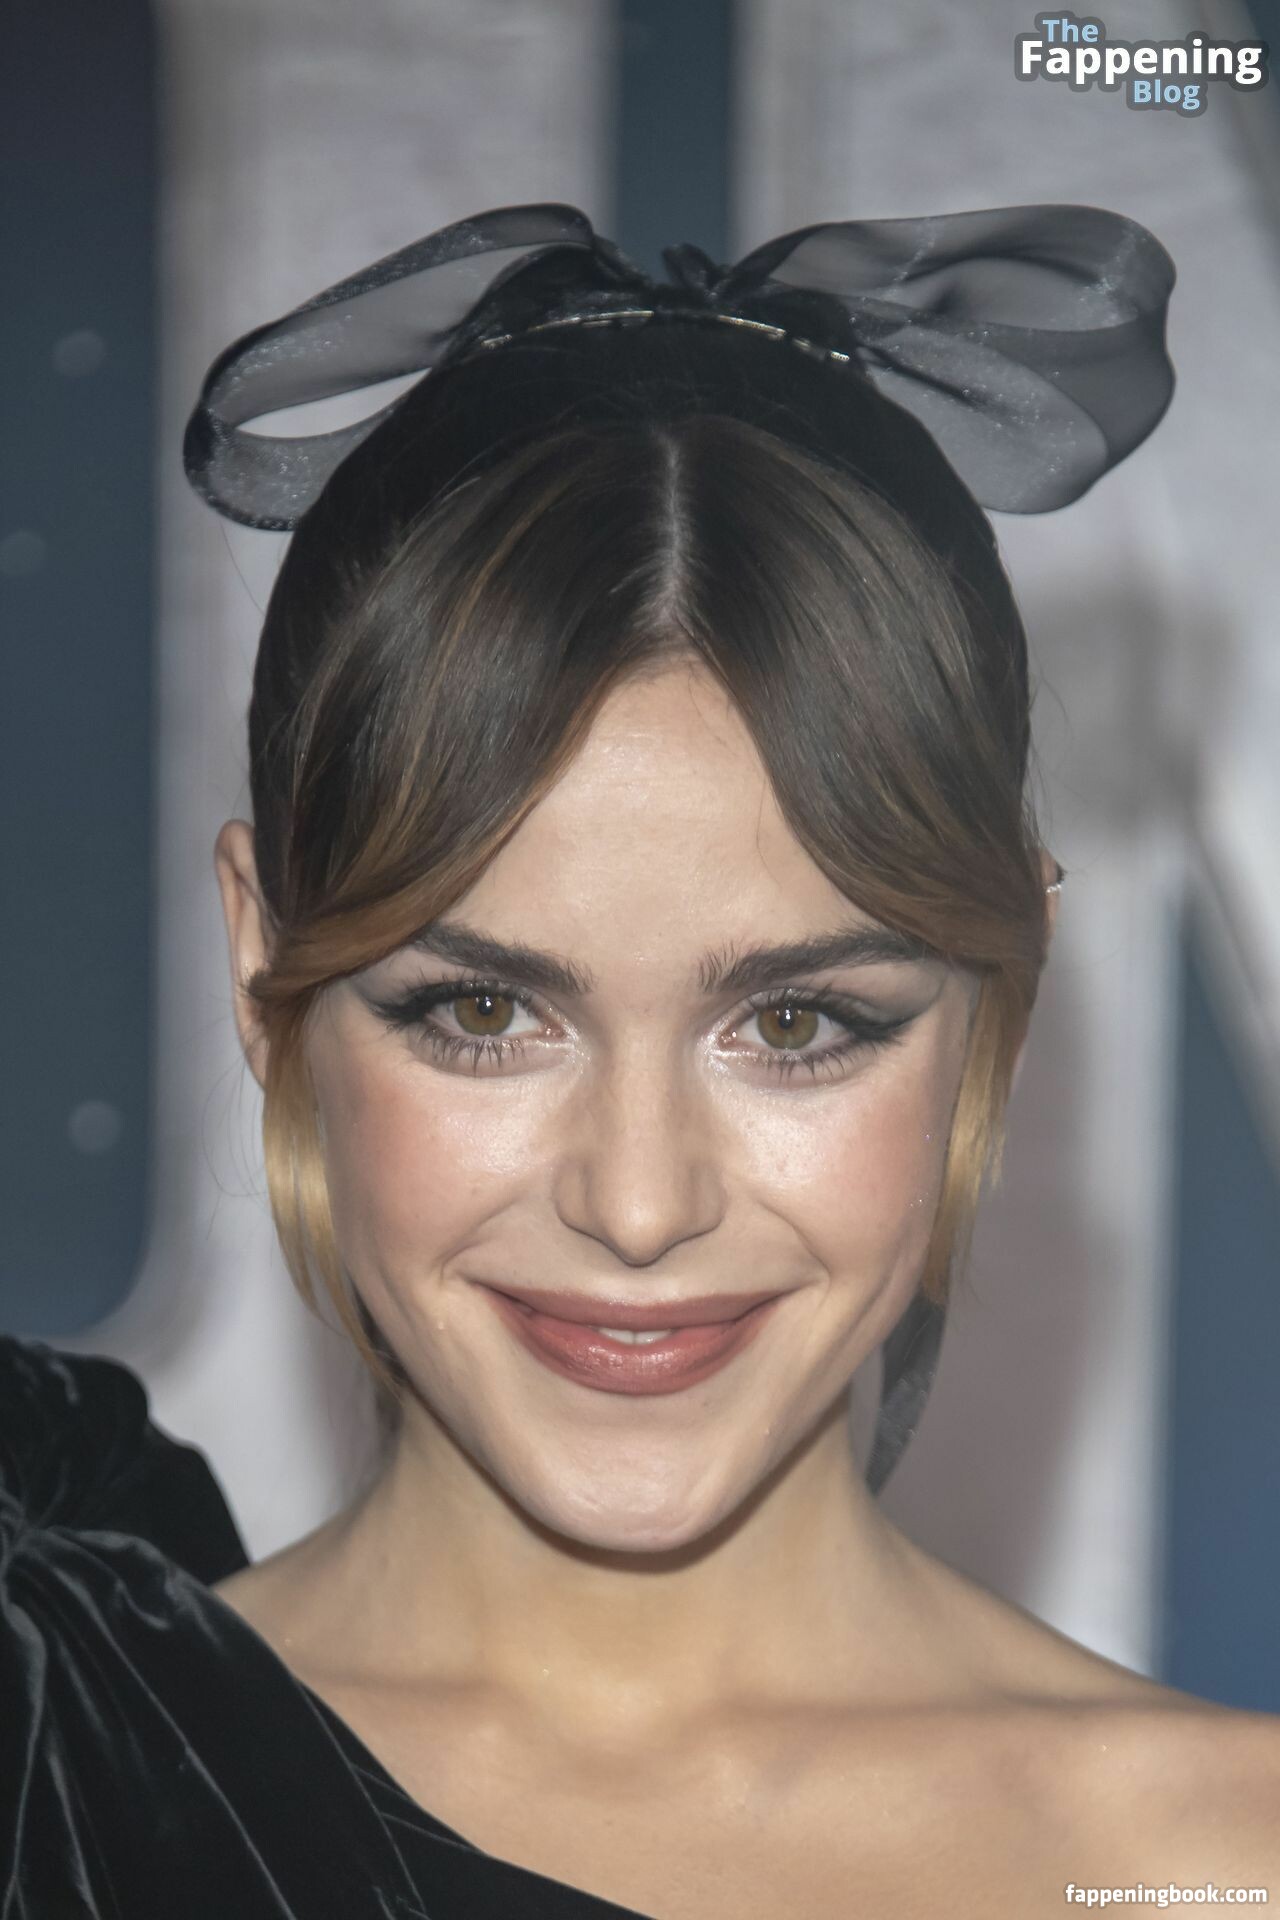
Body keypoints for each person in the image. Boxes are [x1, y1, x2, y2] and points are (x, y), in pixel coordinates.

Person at [4, 203, 1277, 1920]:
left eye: (796, 1025)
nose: (639, 1203)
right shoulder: (51, 1792)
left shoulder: (1232, 1871)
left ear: (1006, 1003)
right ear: (261, 971)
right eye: (482, 1012)